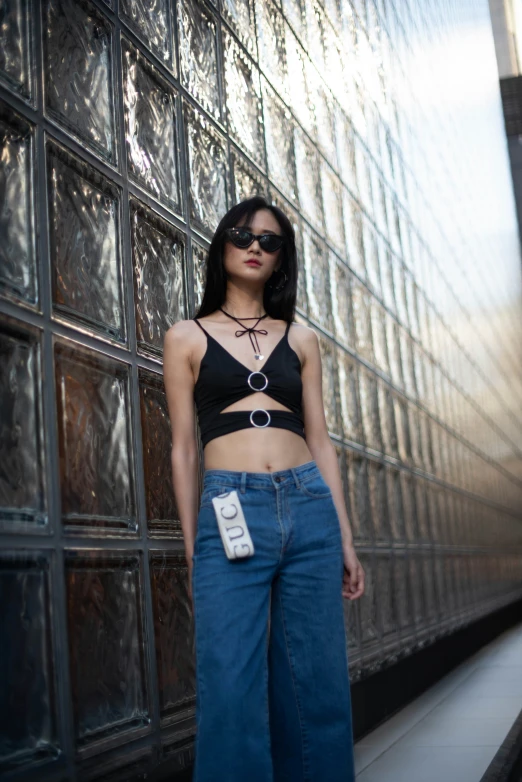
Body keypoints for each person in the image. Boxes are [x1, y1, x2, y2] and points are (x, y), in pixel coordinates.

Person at [163, 195, 365, 782]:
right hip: (232, 506)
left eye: (270, 242)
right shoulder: (186, 337)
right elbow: (182, 448)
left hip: (308, 506)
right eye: (244, 235)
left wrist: (346, 541)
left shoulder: (300, 340)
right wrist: (191, 548)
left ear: (282, 260)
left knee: (316, 682)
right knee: (230, 680)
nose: (255, 247)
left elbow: (322, 442)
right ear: (222, 244)